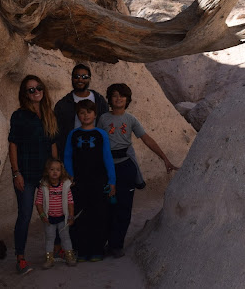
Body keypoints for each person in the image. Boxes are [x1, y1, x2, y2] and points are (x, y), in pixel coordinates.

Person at [98, 83, 179, 258]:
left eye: (122, 95)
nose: (118, 98)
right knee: (106, 206)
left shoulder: (131, 120)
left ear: (127, 99)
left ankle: (116, 245)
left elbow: (147, 139)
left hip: (125, 166)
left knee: (124, 206)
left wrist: (164, 158)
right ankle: (102, 243)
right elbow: (96, 142)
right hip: (106, 167)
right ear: (110, 99)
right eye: (115, 95)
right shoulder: (103, 119)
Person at [8, 75, 58, 275]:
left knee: (54, 212)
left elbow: (53, 145)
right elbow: (13, 144)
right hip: (26, 175)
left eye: (38, 87)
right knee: (25, 215)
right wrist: (15, 172)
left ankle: (56, 249)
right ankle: (20, 258)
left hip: (46, 175)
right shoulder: (19, 115)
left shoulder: (48, 114)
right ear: (25, 94)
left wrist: (57, 172)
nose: (36, 91)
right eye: (31, 89)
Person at [63, 99, 116, 262]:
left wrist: (112, 181)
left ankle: (96, 250)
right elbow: (67, 156)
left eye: (89, 112)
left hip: (98, 181)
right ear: (78, 115)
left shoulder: (101, 134)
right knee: (80, 216)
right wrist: (70, 174)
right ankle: (82, 250)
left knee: (98, 215)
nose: (86, 115)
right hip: (79, 182)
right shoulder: (74, 134)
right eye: (82, 113)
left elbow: (108, 157)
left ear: (95, 114)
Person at [54, 63, 109, 155]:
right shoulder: (63, 104)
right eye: (76, 76)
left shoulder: (99, 101)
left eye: (84, 76)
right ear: (71, 78)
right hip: (72, 152)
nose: (80, 79)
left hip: (96, 151)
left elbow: (106, 124)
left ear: (89, 79)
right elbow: (57, 132)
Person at [35, 158, 76, 268]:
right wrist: (42, 215)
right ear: (47, 171)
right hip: (49, 219)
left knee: (65, 237)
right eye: (52, 169)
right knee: (50, 238)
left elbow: (70, 202)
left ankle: (69, 255)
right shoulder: (43, 186)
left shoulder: (65, 185)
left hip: (63, 218)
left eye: (57, 169)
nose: (54, 172)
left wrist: (71, 216)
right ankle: (49, 259)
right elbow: (38, 202)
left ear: (61, 172)